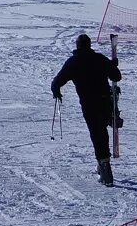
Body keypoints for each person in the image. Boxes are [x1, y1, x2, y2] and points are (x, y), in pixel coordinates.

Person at [52, 34, 122, 186]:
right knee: (101, 132)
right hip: (104, 101)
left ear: (77, 46)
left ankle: (105, 168)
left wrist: (56, 92)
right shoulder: (99, 59)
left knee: (97, 133)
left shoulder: (73, 62)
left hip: (89, 104)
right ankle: (102, 162)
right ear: (89, 45)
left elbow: (57, 81)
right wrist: (112, 65)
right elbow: (116, 76)